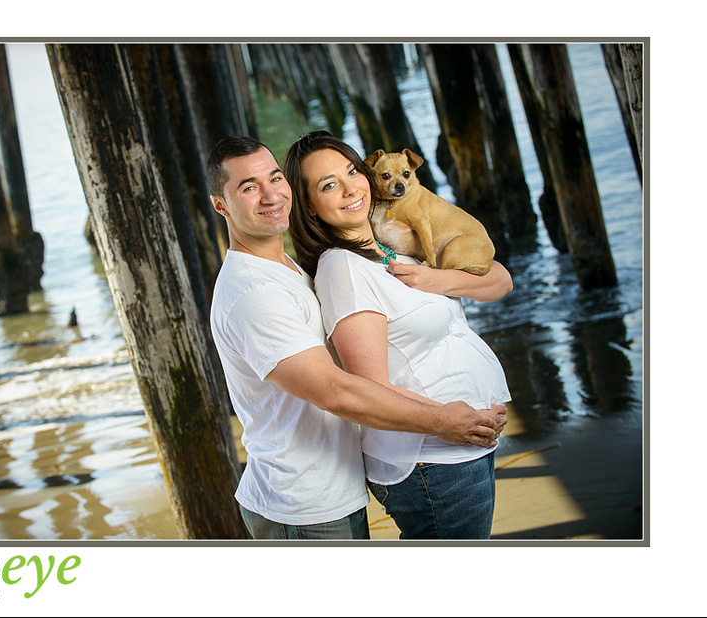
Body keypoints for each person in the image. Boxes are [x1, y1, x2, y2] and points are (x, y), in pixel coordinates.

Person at [206, 135, 507, 540]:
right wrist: (445, 421)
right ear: (221, 205)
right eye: (248, 187)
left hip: (332, 488)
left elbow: (499, 279)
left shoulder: (290, 269)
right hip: (302, 501)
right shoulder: (254, 293)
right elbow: (337, 390)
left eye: (275, 178)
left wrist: (434, 276)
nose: (270, 195)